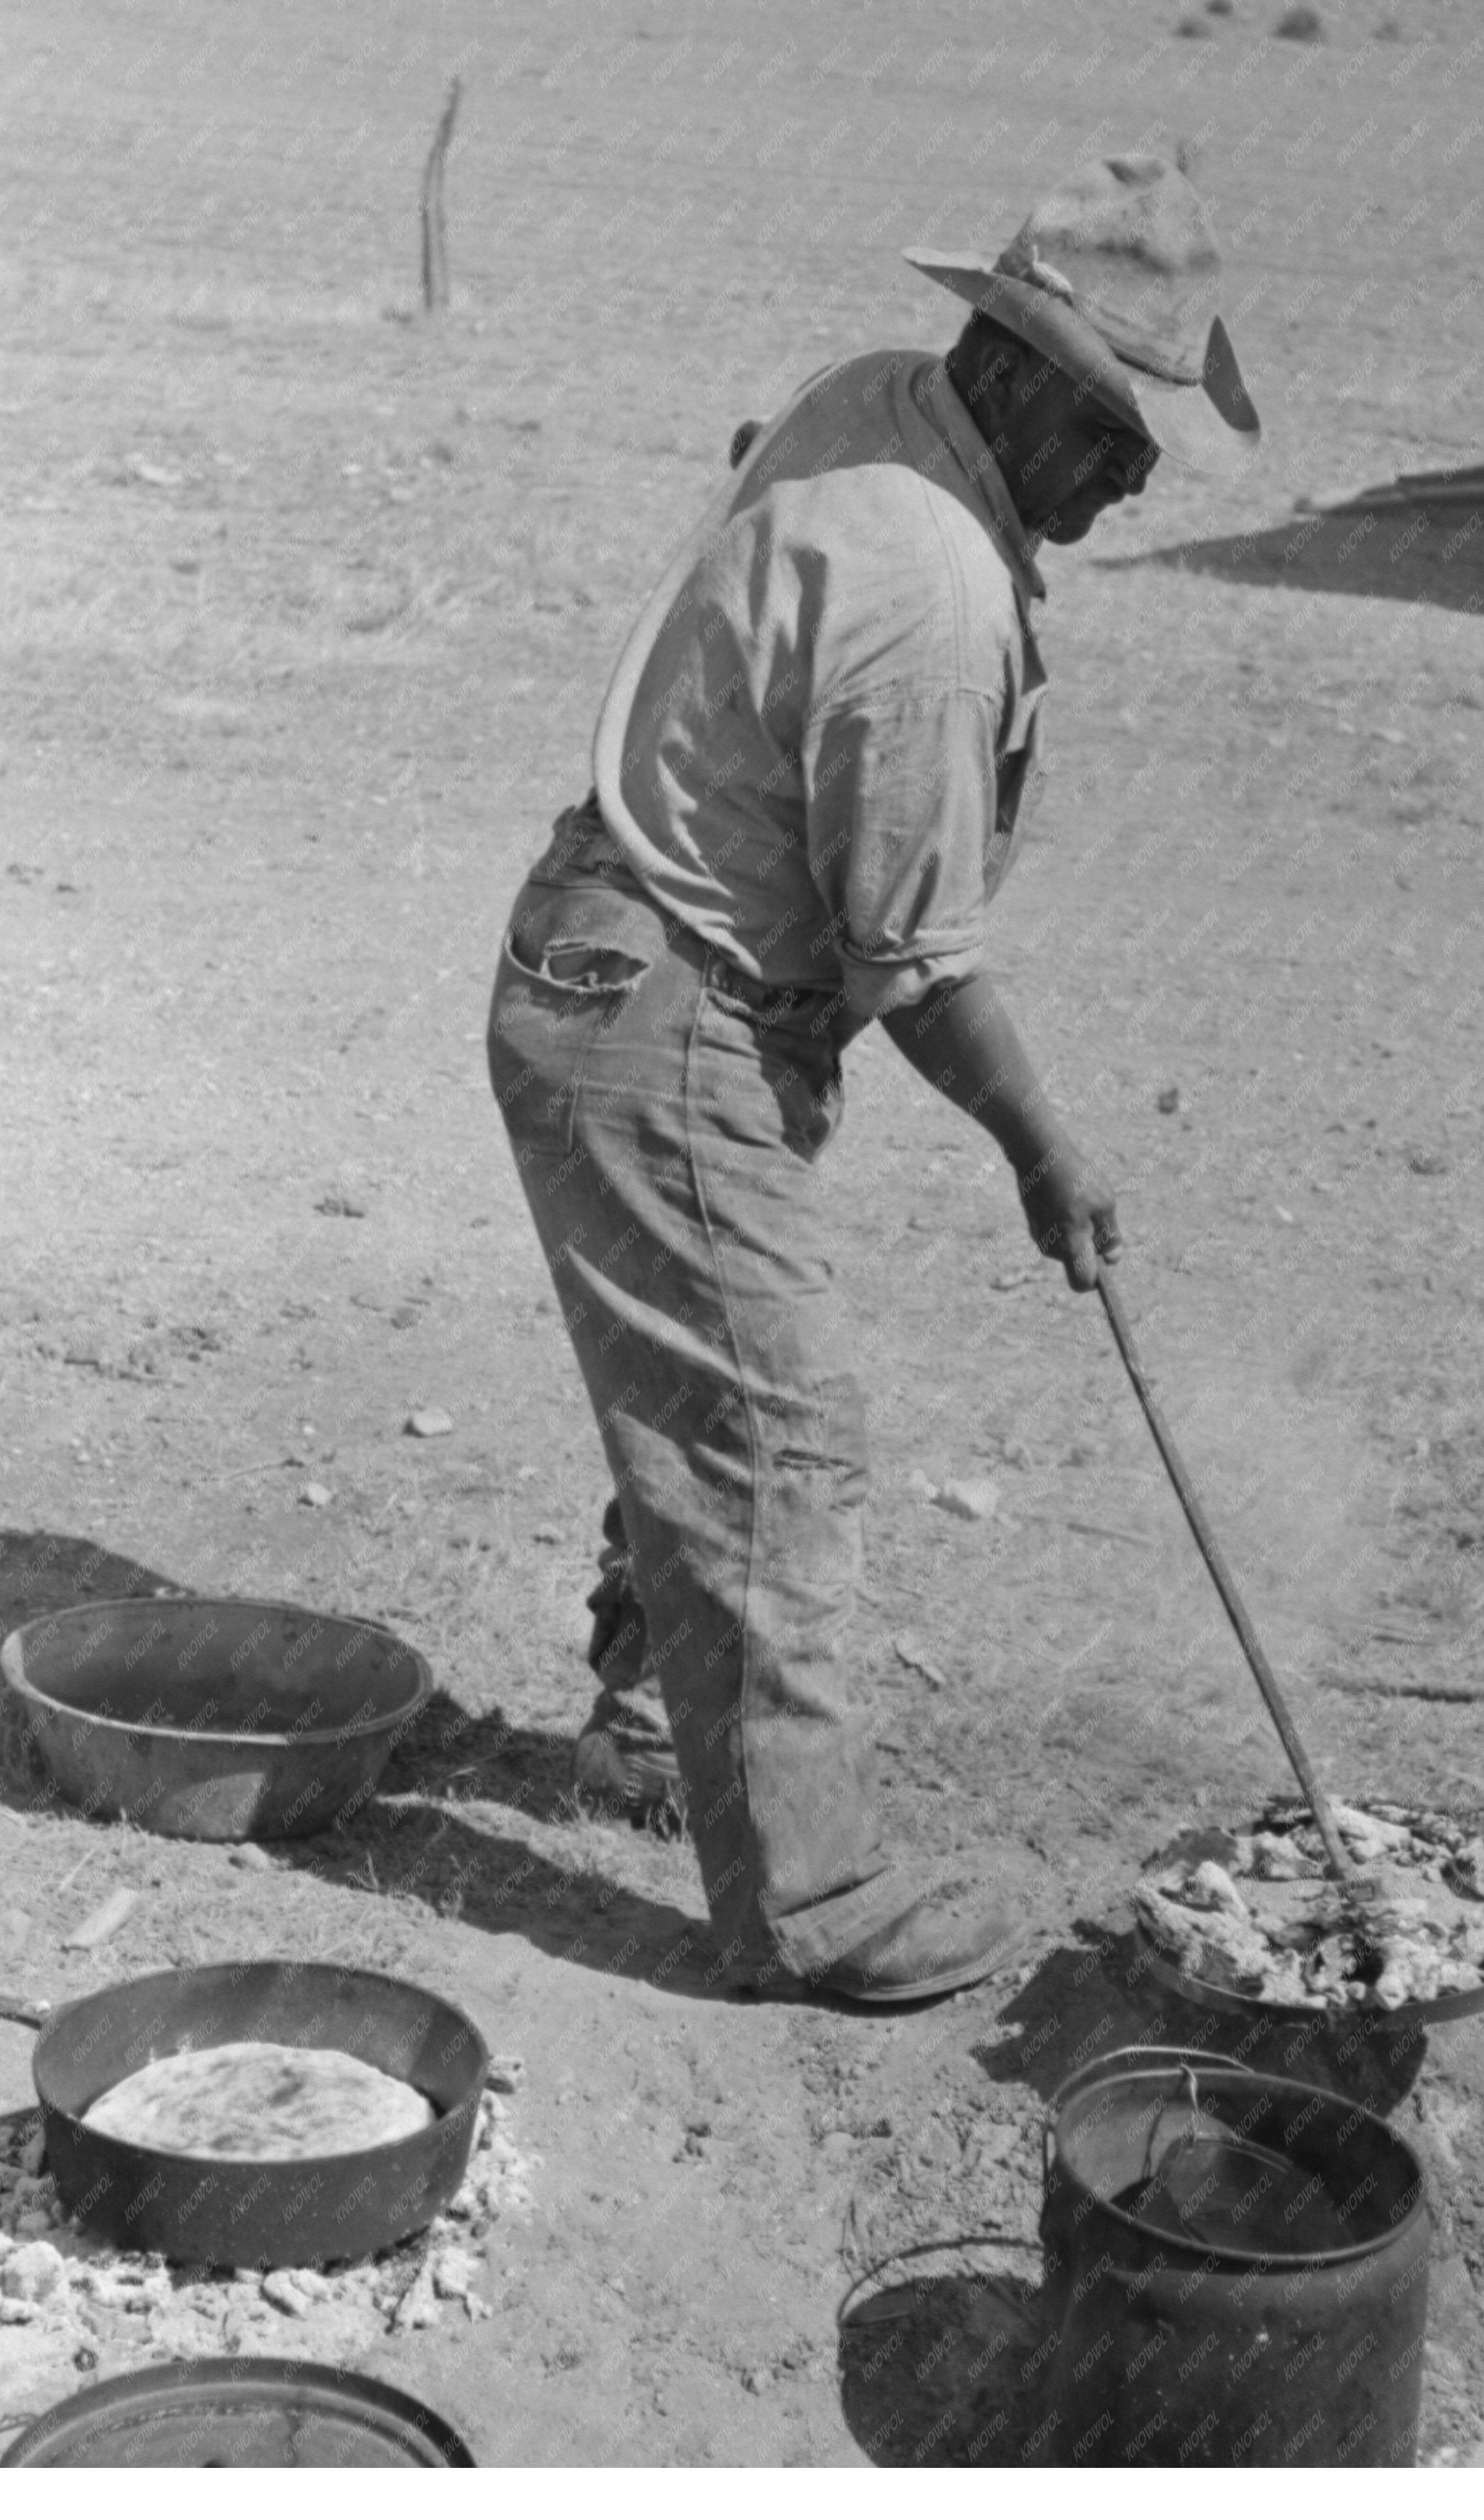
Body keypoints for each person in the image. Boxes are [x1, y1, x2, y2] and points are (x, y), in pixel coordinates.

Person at [485, 153, 1260, 2007]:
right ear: (1003, 372)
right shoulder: (933, 593)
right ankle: (805, 1907)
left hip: (634, 959)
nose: (1136, 473)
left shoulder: (872, 400)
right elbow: (915, 961)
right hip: (667, 1002)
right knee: (770, 1427)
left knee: (709, 1366)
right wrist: (1044, 1150)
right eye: (1110, 428)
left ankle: (646, 1733)